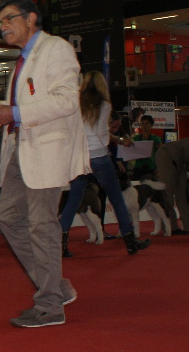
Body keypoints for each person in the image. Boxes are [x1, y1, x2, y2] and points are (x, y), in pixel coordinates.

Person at [0, 0, 88, 329]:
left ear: (31, 19)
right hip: (20, 149)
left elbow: (67, 101)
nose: (4, 26)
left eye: (10, 18)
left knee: (42, 225)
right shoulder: (24, 59)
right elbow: (16, 107)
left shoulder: (55, 49)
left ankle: (50, 306)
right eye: (0, 22)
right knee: (8, 217)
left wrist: (15, 112)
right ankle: (56, 288)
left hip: (46, 150)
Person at [58, 72, 149, 257]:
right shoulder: (104, 105)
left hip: (80, 157)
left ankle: (60, 244)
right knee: (116, 198)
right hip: (99, 156)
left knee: (74, 199)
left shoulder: (76, 105)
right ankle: (130, 241)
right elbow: (102, 135)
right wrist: (117, 139)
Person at [154, 138, 189, 234]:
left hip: (181, 162)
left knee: (182, 195)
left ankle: (187, 226)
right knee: (167, 193)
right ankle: (170, 227)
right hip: (166, 155)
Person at [128, 114, 162, 181]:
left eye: (147, 123)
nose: (144, 126)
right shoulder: (136, 138)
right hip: (138, 167)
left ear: (151, 125)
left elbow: (160, 154)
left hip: (150, 168)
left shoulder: (155, 139)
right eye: (143, 123)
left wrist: (157, 169)